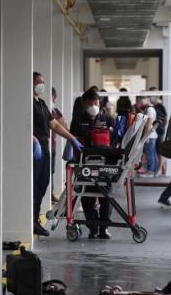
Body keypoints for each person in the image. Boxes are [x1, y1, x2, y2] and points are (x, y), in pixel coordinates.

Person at [33, 72, 83, 236]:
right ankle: (32, 221)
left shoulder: (40, 103)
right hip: (35, 149)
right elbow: (21, 123)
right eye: (39, 81)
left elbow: (53, 124)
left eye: (43, 82)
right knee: (33, 187)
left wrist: (72, 138)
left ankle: (35, 218)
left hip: (45, 147)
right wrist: (33, 140)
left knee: (43, 184)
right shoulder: (27, 102)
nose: (42, 85)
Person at [70, 89, 114, 239]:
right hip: (85, 164)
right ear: (84, 103)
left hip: (105, 164)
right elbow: (73, 141)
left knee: (106, 195)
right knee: (86, 196)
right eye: (90, 103)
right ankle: (93, 227)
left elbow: (115, 141)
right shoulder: (78, 120)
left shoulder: (107, 119)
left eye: (95, 102)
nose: (93, 105)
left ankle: (104, 227)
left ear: (99, 102)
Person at [50, 87, 67, 203]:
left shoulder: (55, 111)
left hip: (52, 145)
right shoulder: (41, 107)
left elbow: (63, 125)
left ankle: (50, 194)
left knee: (51, 171)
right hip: (42, 145)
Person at [139, 95, 158, 178]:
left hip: (150, 135)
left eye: (143, 98)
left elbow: (149, 123)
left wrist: (146, 136)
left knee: (150, 153)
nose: (142, 101)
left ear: (148, 99)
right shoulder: (150, 109)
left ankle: (150, 171)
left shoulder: (150, 110)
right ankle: (153, 170)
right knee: (152, 153)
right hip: (152, 134)